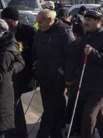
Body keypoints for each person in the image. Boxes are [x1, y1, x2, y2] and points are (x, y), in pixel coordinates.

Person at [32, 9, 75, 138]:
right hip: (43, 75)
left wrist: (67, 75)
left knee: (49, 111)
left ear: (49, 20)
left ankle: (42, 135)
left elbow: (72, 56)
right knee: (52, 111)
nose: (38, 25)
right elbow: (36, 51)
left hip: (57, 78)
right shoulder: (40, 32)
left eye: (40, 22)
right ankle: (57, 135)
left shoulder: (64, 32)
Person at [77, 8, 103, 138]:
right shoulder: (87, 35)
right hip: (88, 82)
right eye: (85, 19)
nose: (85, 22)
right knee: (100, 116)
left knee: (88, 114)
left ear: (99, 22)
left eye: (89, 20)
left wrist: (93, 52)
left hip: (101, 84)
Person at [1, 6, 37, 138]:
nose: (7, 22)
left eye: (9, 20)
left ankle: (15, 133)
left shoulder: (29, 31)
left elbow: (35, 52)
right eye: (4, 19)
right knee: (13, 106)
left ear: (15, 19)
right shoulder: (3, 32)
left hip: (23, 74)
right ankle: (16, 133)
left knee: (12, 105)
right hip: (8, 75)